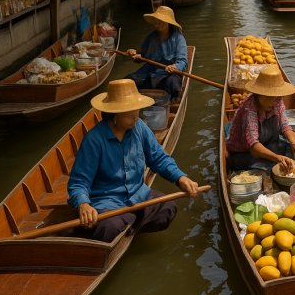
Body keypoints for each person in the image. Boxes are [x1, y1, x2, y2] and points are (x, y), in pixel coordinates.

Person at [66, 79, 199, 242]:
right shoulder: (94, 140)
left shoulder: (139, 127)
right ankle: (124, 222)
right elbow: (79, 182)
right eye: (129, 114)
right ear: (114, 115)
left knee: (167, 208)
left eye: (136, 111)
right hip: (107, 203)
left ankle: (129, 222)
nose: (136, 117)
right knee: (109, 227)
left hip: (138, 196)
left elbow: (158, 158)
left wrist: (180, 178)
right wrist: (84, 204)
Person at [226, 66, 295, 173]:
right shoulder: (250, 108)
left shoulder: (277, 100)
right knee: (269, 168)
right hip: (245, 153)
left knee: (287, 148)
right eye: (269, 97)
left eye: (275, 97)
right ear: (259, 95)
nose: (273, 101)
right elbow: (253, 146)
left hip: (268, 144)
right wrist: (277, 158)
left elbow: (285, 125)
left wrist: (294, 141)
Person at [126, 6, 188, 101]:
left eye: (161, 20)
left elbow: (183, 62)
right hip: (150, 74)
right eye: (156, 20)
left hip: (167, 75)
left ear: (168, 22)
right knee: (128, 82)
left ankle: (172, 103)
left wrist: (174, 67)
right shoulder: (151, 37)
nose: (157, 23)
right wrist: (135, 54)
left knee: (173, 83)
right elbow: (143, 55)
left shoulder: (178, 38)